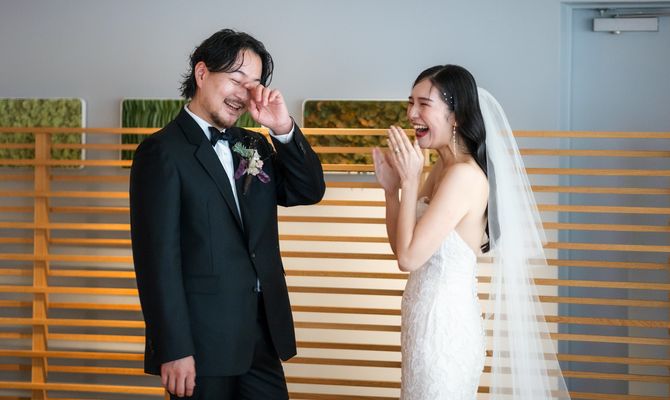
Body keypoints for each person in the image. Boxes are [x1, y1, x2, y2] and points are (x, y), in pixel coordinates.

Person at [129, 29, 325, 399]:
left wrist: (282, 128)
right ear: (202, 73)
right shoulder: (161, 152)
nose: (243, 94)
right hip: (200, 343)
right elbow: (157, 262)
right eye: (236, 79)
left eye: (253, 85)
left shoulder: (253, 144)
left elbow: (309, 190)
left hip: (262, 334)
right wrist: (173, 348)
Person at [373, 65, 570, 399]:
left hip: (445, 332)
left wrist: (410, 181)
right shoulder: (443, 166)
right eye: (410, 103)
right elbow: (402, 246)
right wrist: (393, 192)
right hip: (423, 326)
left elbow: (408, 259)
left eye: (423, 104)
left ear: (456, 116)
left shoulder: (463, 175)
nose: (411, 113)